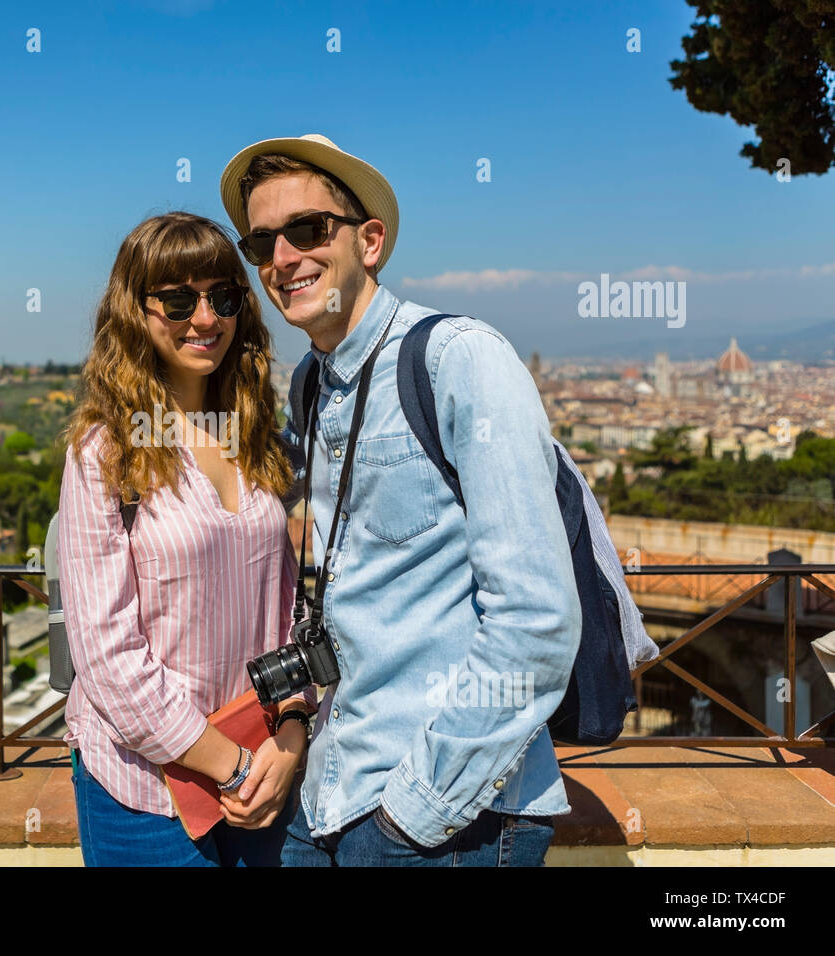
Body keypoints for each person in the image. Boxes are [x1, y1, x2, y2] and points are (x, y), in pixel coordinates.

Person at [217, 134, 582, 866]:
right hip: (329, 793)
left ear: (370, 241)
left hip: (446, 821)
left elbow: (538, 618)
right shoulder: (311, 386)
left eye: (309, 229)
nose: (282, 257)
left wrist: (414, 813)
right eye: (262, 242)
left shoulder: (458, 359)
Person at [57, 211, 317, 867]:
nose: (205, 319)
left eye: (222, 297)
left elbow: (289, 611)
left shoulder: (257, 440)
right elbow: (108, 656)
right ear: (134, 311)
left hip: (262, 771)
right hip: (147, 795)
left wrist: (289, 734)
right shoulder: (106, 453)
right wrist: (227, 764)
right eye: (178, 299)